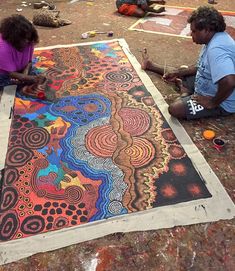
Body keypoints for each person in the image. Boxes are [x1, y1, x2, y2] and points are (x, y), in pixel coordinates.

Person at [141, 6, 235, 120]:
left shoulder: (216, 49)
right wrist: (180, 72)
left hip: (223, 103)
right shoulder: (215, 38)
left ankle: (184, 91)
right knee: (182, 70)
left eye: (194, 31)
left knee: (175, 109)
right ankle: (152, 66)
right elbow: (202, 67)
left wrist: (212, 102)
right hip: (209, 83)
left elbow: (229, 81)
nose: (191, 34)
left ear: (207, 29)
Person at [0, 14, 46, 90]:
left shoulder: (29, 40)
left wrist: (25, 74)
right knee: (7, 81)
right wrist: (29, 78)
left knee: (37, 77)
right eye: (24, 39)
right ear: (14, 39)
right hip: (5, 73)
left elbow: (29, 62)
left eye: (28, 38)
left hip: (19, 70)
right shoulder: (3, 48)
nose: (27, 41)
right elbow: (11, 73)